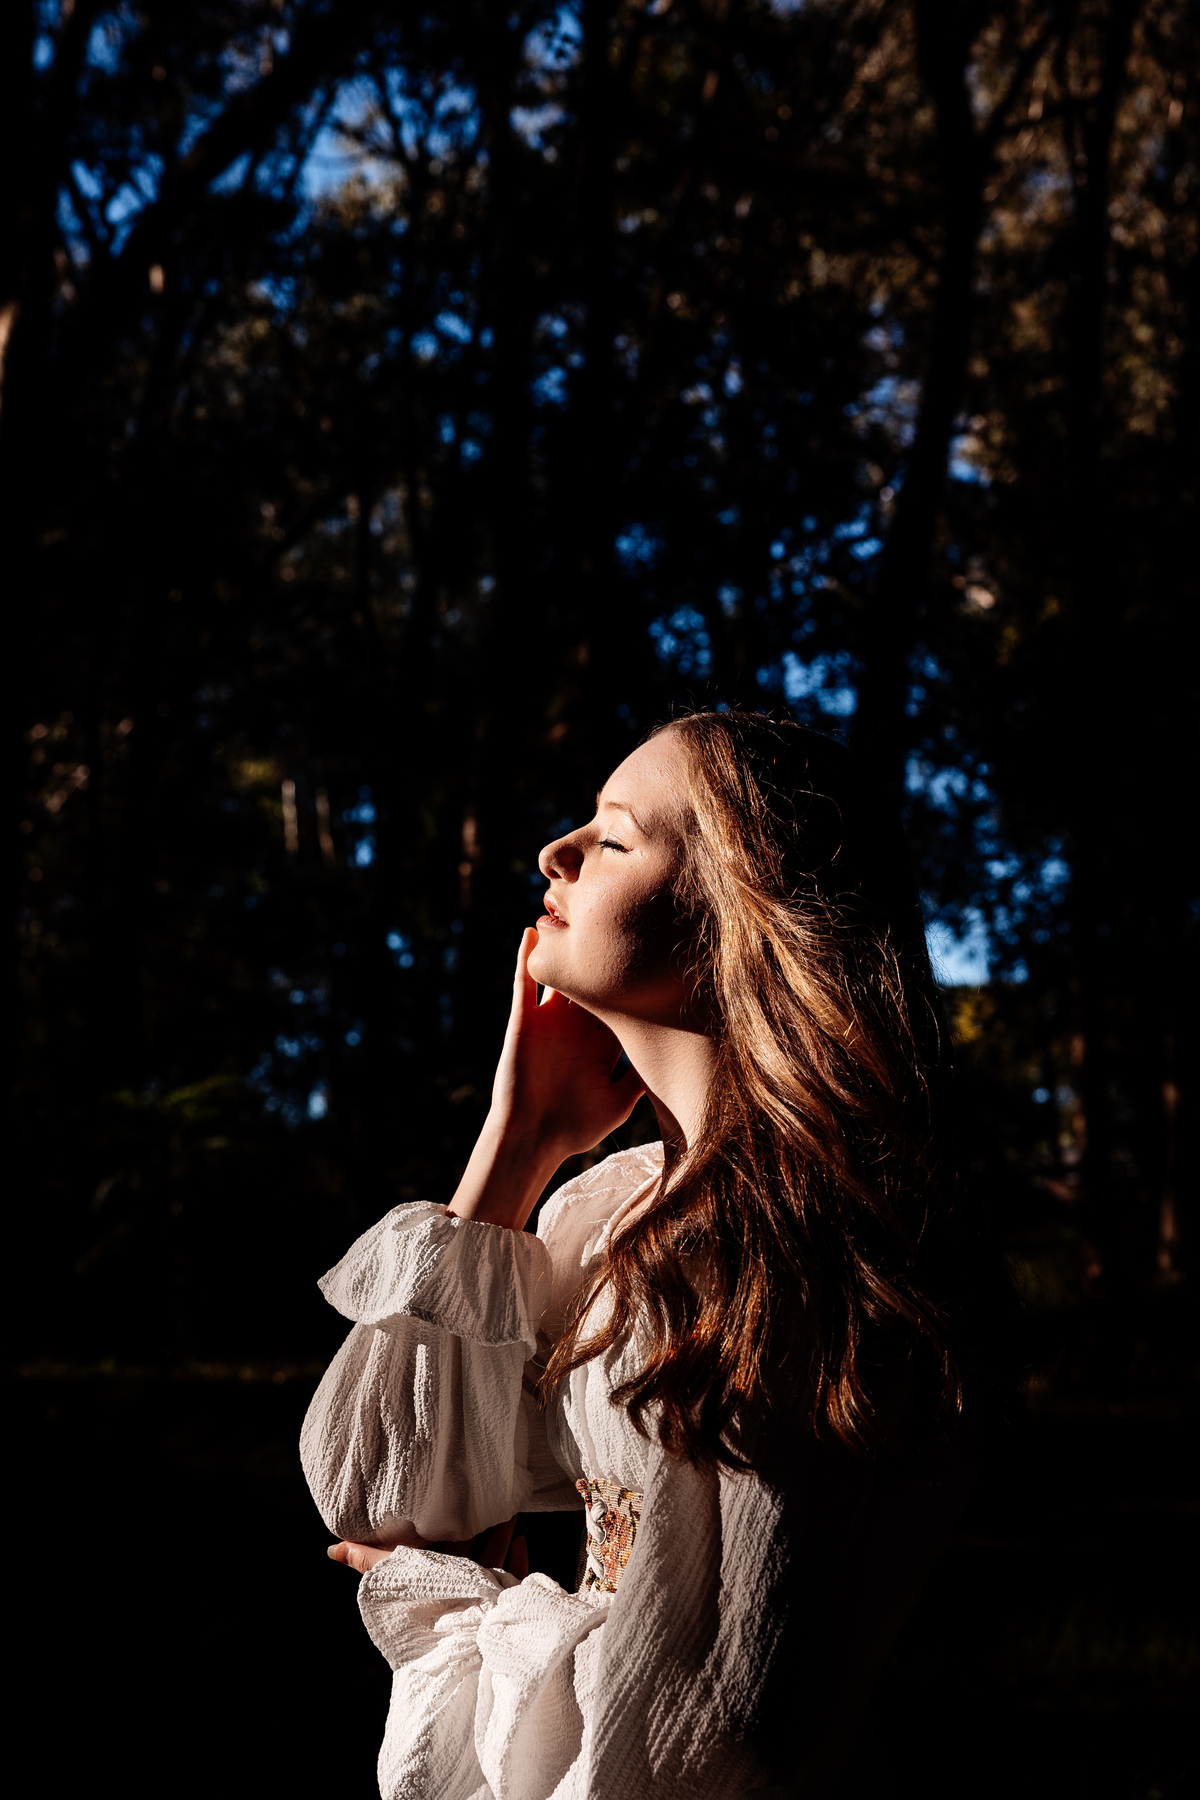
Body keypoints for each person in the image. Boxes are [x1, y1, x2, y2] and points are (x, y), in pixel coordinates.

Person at [300, 710, 990, 1800]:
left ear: (740, 916)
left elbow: (700, 1738)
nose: (555, 852)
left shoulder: (793, 1247)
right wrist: (518, 1144)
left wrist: (462, 1615)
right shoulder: (621, 1210)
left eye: (614, 837)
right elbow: (377, 1489)